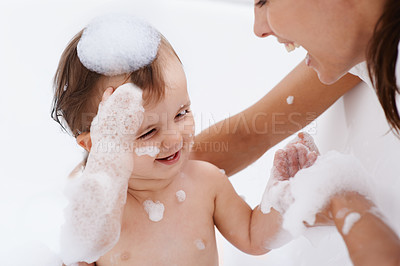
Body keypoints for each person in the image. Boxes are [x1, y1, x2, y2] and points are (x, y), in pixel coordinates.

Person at [52, 16, 335, 266]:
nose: (174, 137)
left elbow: (252, 236)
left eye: (182, 113)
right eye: (148, 132)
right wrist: (105, 169)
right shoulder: (98, 209)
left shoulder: (206, 182)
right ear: (96, 146)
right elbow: (81, 248)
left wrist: (282, 198)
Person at [190, 0, 400, 265]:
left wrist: (344, 201)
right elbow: (251, 133)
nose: (259, 28)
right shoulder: (368, 47)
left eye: (264, 1)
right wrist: (133, 175)